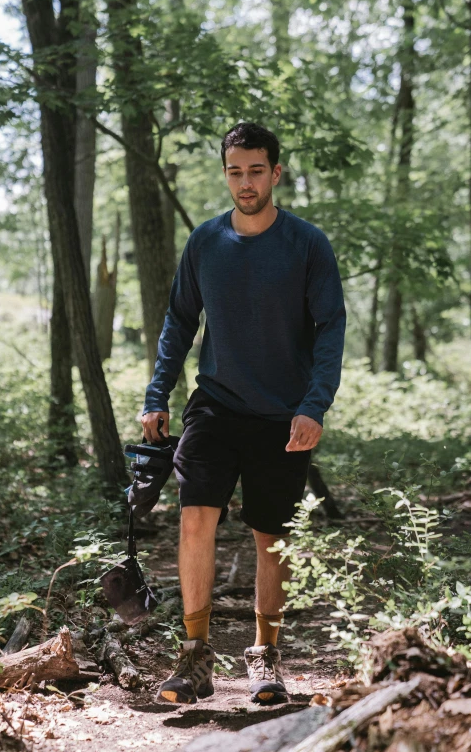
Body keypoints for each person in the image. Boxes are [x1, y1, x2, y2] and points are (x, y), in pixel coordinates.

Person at [141, 122, 346, 706]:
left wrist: (314, 407)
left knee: (269, 536)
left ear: (276, 173)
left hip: (283, 415)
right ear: (225, 172)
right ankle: (195, 656)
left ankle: (265, 658)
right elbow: (180, 322)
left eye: (257, 170)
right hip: (216, 404)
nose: (246, 181)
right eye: (236, 170)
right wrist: (158, 394)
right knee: (194, 517)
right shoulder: (205, 242)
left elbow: (331, 328)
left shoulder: (307, 244)